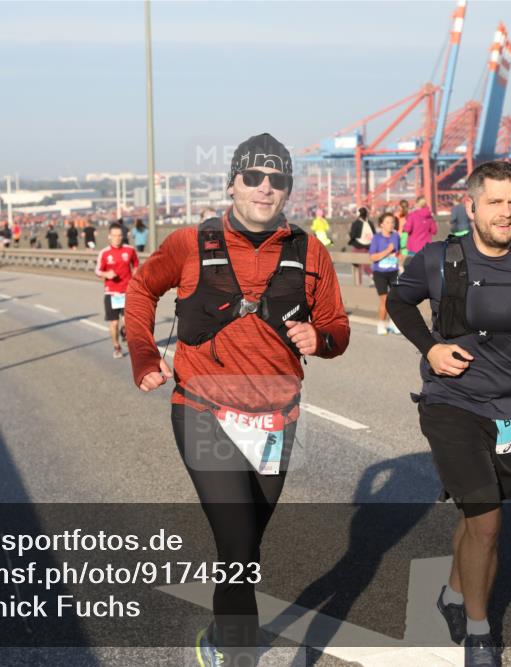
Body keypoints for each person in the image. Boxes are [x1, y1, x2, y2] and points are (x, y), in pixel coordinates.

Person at [125, 133, 349, 666]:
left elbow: (337, 326)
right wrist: (142, 353)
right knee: (237, 545)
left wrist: (324, 340)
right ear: (232, 183)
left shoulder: (309, 250)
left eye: (277, 180)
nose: (264, 188)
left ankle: (221, 636)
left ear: (288, 189)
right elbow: (140, 289)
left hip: (276, 418)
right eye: (253, 177)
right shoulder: (187, 243)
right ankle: (240, 655)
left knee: (245, 551)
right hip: (202, 410)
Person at [387, 161, 511, 666]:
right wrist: (430, 349)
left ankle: (451, 591)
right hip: (451, 403)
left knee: (479, 516)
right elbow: (398, 303)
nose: (506, 213)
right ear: (470, 206)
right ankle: (479, 632)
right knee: (488, 523)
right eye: (495, 202)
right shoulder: (438, 259)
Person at [95, 224, 140, 358]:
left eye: (119, 235)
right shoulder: (104, 253)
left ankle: (125, 333)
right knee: (114, 323)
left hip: (127, 292)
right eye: (114, 235)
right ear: (109, 236)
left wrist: (135, 274)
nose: (117, 238)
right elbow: (97, 270)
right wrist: (106, 274)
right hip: (112, 293)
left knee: (128, 323)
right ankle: (116, 346)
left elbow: (136, 263)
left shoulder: (130, 250)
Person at [368, 212, 400, 335]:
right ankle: (381, 324)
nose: (391, 224)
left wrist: (399, 261)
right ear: (381, 224)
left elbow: (399, 252)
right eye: (387, 222)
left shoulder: (396, 236)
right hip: (380, 273)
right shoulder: (376, 238)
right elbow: (372, 257)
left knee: (396, 299)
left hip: (394, 271)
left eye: (392, 222)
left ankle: (393, 323)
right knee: (385, 300)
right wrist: (387, 251)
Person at [402, 196, 439, 266]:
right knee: (424, 269)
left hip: (413, 247)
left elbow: (407, 229)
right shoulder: (429, 216)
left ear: (417, 204)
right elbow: (434, 231)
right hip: (426, 248)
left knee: (413, 269)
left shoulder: (412, 215)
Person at [348, 206, 375, 286]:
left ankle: (359, 283)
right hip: (368, 246)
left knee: (356, 265)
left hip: (358, 246)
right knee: (366, 265)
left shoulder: (356, 223)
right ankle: (373, 277)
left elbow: (353, 235)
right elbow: (374, 233)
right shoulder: (370, 223)